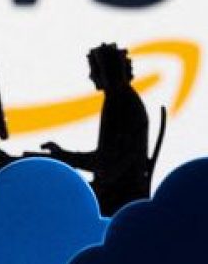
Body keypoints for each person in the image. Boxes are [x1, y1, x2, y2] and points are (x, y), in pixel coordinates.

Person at [25, 43, 150, 216]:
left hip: (117, 196)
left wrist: (64, 158)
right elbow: (106, 160)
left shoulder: (120, 104)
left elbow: (105, 164)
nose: (91, 76)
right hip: (116, 191)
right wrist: (63, 156)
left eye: (95, 70)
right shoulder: (121, 99)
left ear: (107, 72)